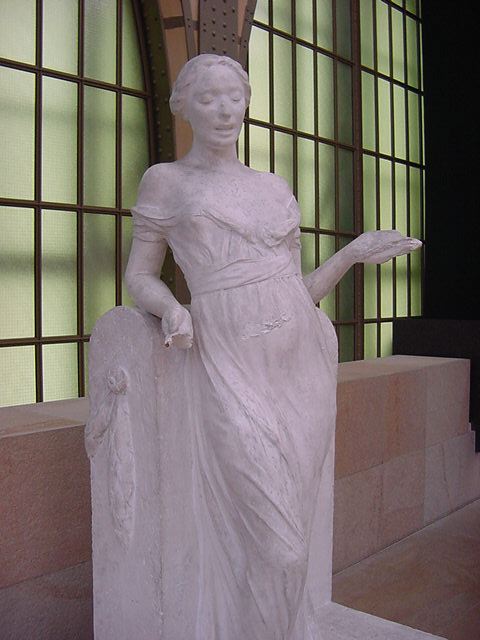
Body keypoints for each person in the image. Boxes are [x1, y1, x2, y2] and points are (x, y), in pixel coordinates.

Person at [125, 54, 421, 640]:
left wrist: (351, 255)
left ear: (246, 103)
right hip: (228, 368)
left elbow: (298, 291)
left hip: (301, 370)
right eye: (207, 98)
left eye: (233, 97)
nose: (223, 110)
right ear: (183, 107)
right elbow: (140, 275)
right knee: (279, 546)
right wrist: (171, 308)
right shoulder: (166, 181)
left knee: (294, 537)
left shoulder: (273, 187)